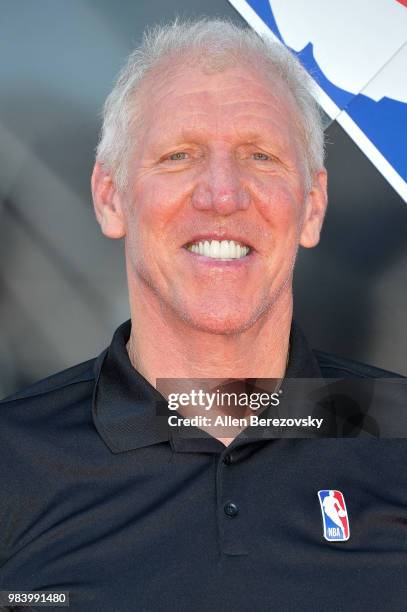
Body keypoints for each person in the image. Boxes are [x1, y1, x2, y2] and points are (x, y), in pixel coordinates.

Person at [0, 19, 406, 612]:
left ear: (312, 206)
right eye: (179, 155)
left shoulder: (399, 431)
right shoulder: (12, 458)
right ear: (110, 196)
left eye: (260, 155)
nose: (222, 194)